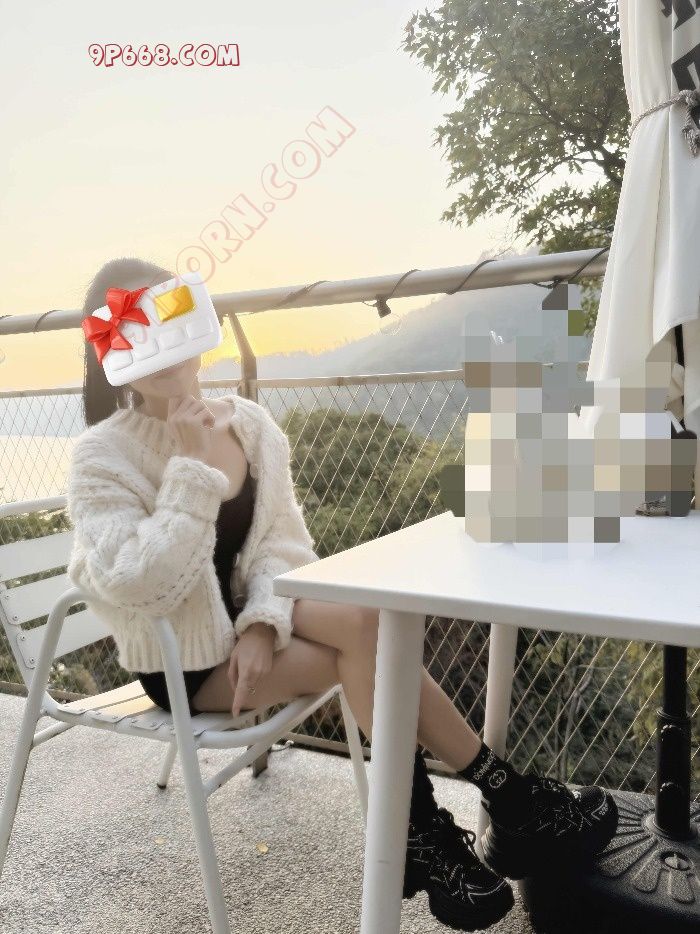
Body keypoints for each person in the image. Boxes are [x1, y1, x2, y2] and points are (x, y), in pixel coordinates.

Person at [67, 257, 618, 933]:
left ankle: (436, 828)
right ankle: (494, 805)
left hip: (254, 626)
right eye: (135, 334)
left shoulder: (249, 424)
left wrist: (262, 624)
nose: (164, 354)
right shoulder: (101, 456)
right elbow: (139, 583)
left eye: (168, 322)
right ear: (109, 351)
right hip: (186, 660)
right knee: (369, 650)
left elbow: (282, 546)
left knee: (365, 622)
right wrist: (190, 469)